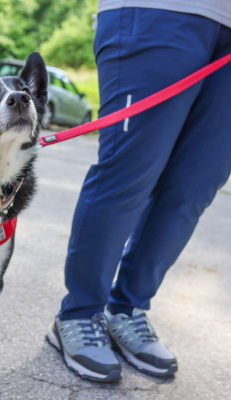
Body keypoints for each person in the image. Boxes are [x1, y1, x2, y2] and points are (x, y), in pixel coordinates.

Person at [47, 1, 231, 382]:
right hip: (159, 12)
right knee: (128, 172)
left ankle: (127, 309)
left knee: (194, 186)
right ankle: (80, 313)